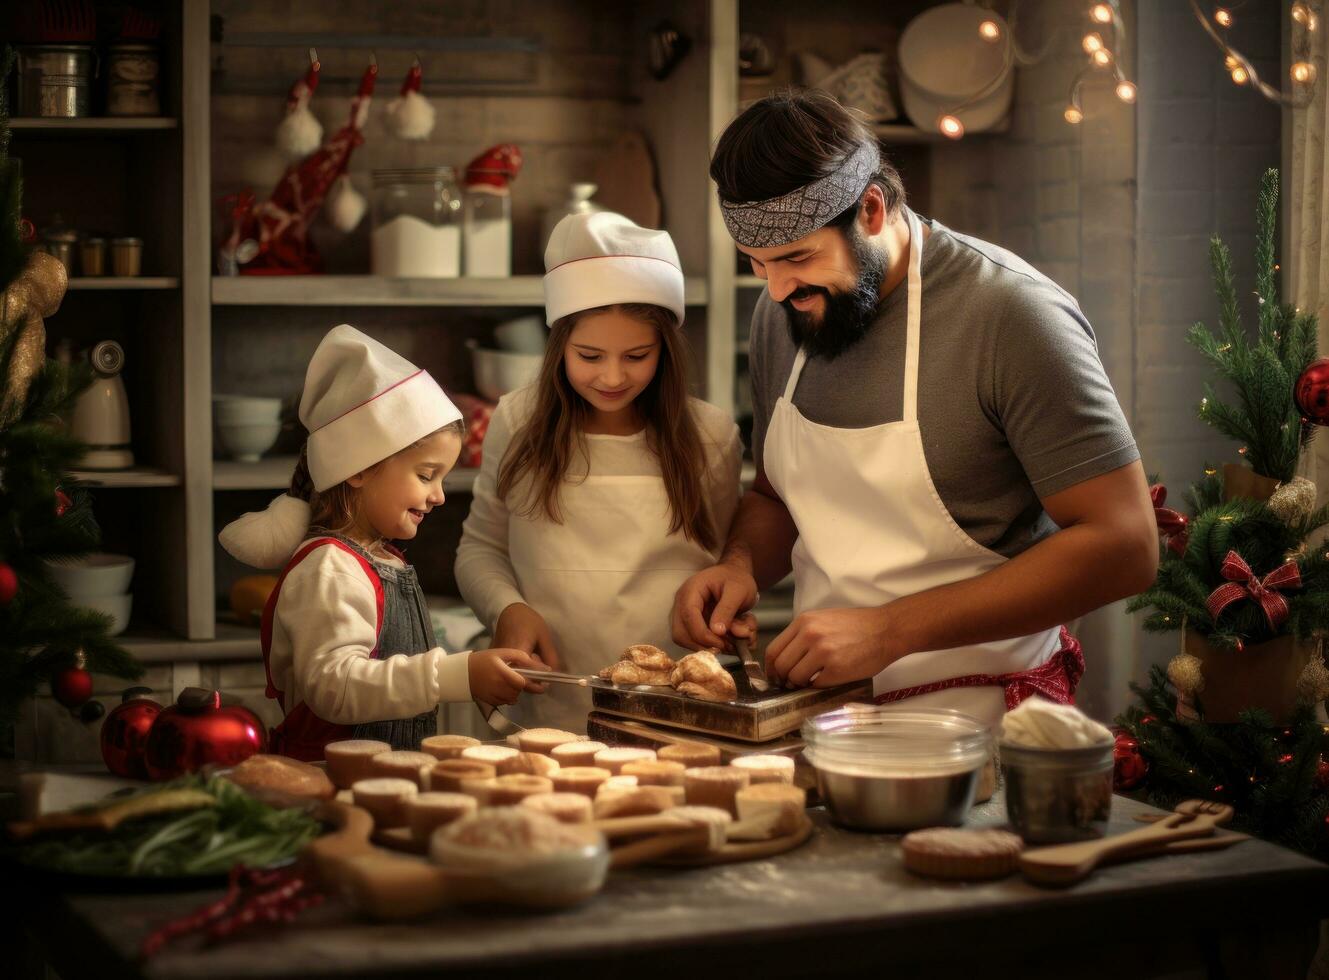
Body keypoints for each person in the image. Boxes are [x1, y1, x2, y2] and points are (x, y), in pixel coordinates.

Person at [672, 90, 1158, 727]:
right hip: (832, 716)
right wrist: (739, 565)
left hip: (985, 718)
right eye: (758, 264)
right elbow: (775, 494)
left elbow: (1125, 545)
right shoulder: (782, 311)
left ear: (871, 208)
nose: (778, 289)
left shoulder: (1011, 317)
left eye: (797, 257)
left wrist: (890, 631)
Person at [456, 212, 743, 731]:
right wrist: (507, 610)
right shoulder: (518, 422)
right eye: (589, 355)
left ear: (667, 352)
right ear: (558, 346)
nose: (612, 377)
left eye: (637, 355)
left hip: (675, 714)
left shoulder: (711, 437)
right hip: (548, 699)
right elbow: (480, 547)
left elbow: (726, 565)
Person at [220, 324, 547, 760]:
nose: (439, 495)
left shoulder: (380, 560)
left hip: (382, 774)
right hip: (328, 774)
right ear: (357, 468)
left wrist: (475, 675)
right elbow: (334, 686)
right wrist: (455, 676)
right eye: (426, 475)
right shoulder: (329, 569)